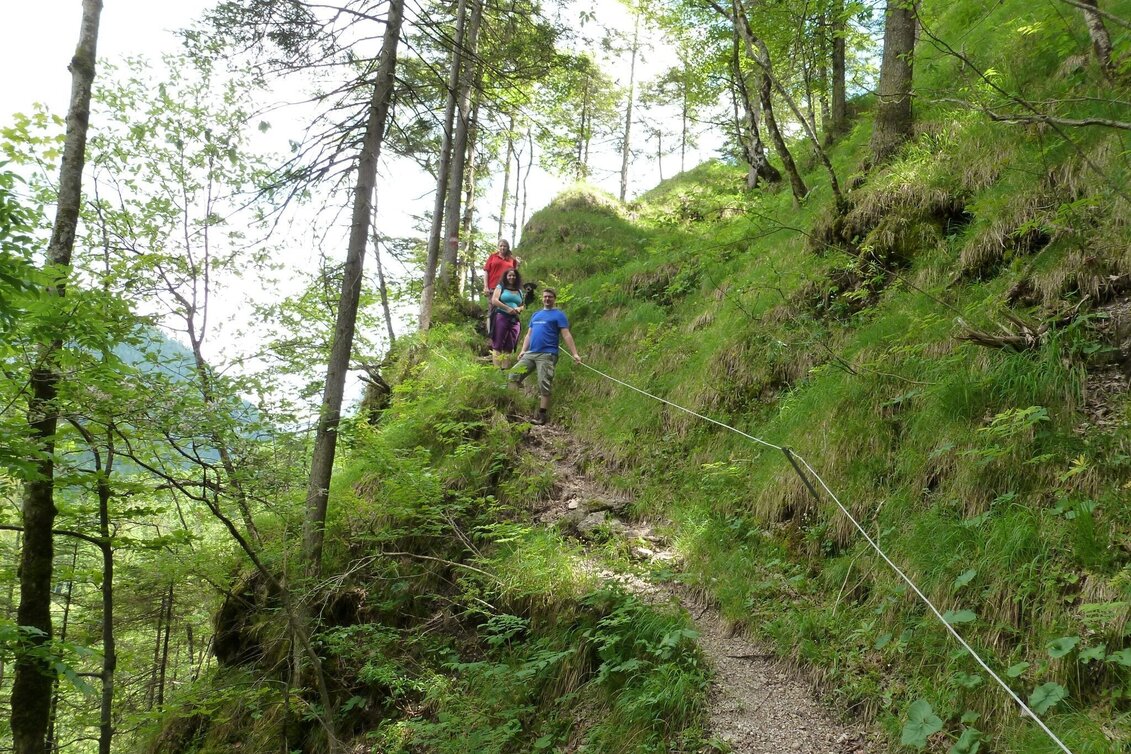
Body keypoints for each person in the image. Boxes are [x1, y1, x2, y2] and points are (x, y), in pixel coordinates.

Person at [508, 288, 581, 425]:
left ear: (554, 299)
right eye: (545, 297)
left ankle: (542, 415)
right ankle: (512, 408)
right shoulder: (536, 315)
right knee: (513, 375)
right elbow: (529, 334)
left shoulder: (558, 315)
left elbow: (566, 334)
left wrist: (575, 353)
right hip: (531, 353)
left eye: (550, 297)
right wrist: (523, 350)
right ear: (542, 298)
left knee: (543, 383)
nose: (547, 299)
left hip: (547, 354)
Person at [490, 268, 526, 369]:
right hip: (501, 316)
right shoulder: (501, 287)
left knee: (509, 346)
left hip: (515, 319)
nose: (511, 277)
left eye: (513, 275)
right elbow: (494, 300)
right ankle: (496, 370)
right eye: (509, 275)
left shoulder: (519, 290)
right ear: (506, 277)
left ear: (516, 277)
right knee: (497, 343)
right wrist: (507, 308)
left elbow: (523, 305)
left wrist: (519, 308)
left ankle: (505, 370)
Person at [482, 239, 517, 336]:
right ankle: (491, 334)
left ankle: (504, 334)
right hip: (493, 287)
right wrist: (485, 287)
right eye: (501, 246)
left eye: (504, 246)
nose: (502, 248)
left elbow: (514, 274)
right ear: (498, 247)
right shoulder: (493, 257)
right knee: (493, 310)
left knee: (505, 310)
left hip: (507, 289)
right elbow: (486, 271)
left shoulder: (511, 259)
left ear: (508, 247)